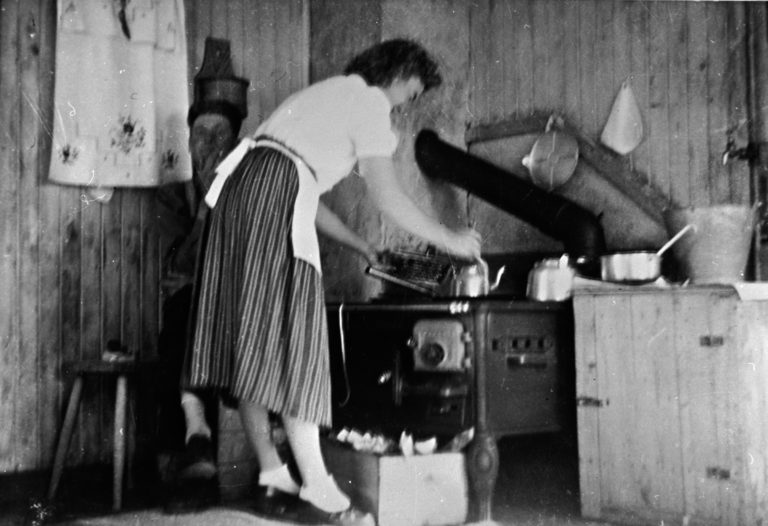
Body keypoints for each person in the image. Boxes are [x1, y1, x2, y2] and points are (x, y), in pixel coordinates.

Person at [185, 38, 481, 525]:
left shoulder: (320, 96)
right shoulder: (367, 100)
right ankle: (319, 483)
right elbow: (386, 195)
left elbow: (300, 185)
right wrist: (449, 238)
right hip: (272, 201)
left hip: (239, 197)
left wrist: (359, 246)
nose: (408, 103)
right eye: (411, 91)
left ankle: (272, 472)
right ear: (398, 73)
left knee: (252, 340)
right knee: (297, 337)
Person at [155, 38, 248, 510]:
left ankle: (202, 438)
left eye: (219, 138)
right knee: (183, 310)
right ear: (188, 143)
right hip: (190, 302)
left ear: (234, 145)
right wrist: (209, 203)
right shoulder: (172, 196)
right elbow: (180, 265)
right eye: (201, 136)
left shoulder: (247, 189)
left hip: (234, 301)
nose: (208, 146)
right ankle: (193, 443)